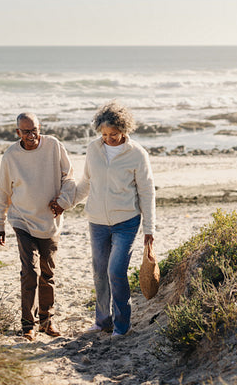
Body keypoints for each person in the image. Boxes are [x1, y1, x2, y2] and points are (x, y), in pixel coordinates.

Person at [73, 100, 156, 338]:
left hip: (126, 222)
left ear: (125, 130)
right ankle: (103, 321)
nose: (109, 139)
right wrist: (64, 203)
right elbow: (87, 183)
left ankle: (122, 325)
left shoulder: (137, 154)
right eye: (105, 134)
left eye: (115, 134)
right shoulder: (93, 148)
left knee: (115, 271)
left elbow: (147, 192)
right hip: (97, 221)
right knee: (100, 272)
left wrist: (150, 228)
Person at [0, 112, 76, 342]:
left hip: (49, 220)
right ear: (17, 132)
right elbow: (3, 191)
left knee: (48, 273)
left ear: (40, 128)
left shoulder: (54, 146)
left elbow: (69, 178)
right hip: (22, 220)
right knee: (30, 272)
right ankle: (27, 325)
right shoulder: (11, 155)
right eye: (26, 131)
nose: (32, 136)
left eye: (35, 130)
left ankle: (46, 321)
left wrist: (63, 202)